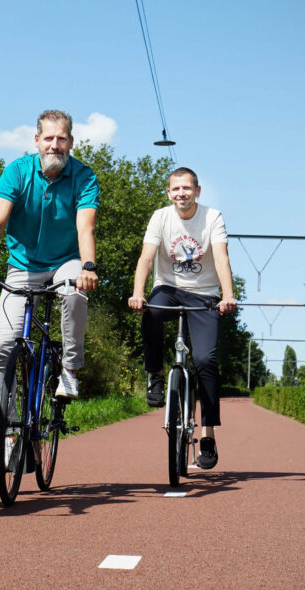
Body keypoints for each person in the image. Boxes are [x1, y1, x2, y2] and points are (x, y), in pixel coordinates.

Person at [0, 109, 100, 470]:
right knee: (0, 347)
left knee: (74, 292)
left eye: (62, 139)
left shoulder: (84, 176)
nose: (55, 144)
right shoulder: (17, 172)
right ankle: (7, 436)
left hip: (66, 260)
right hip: (21, 267)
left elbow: (85, 227)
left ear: (71, 142)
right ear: (36, 140)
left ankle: (69, 370)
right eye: (49, 138)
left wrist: (87, 267)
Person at [128, 167, 237, 469]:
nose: (181, 194)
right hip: (169, 289)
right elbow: (146, 258)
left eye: (186, 188)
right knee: (150, 314)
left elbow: (222, 257)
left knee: (205, 361)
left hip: (204, 295)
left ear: (197, 191)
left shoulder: (212, 217)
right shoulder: (160, 218)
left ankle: (208, 435)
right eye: (175, 189)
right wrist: (139, 293)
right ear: (169, 193)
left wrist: (227, 296)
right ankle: (156, 377)